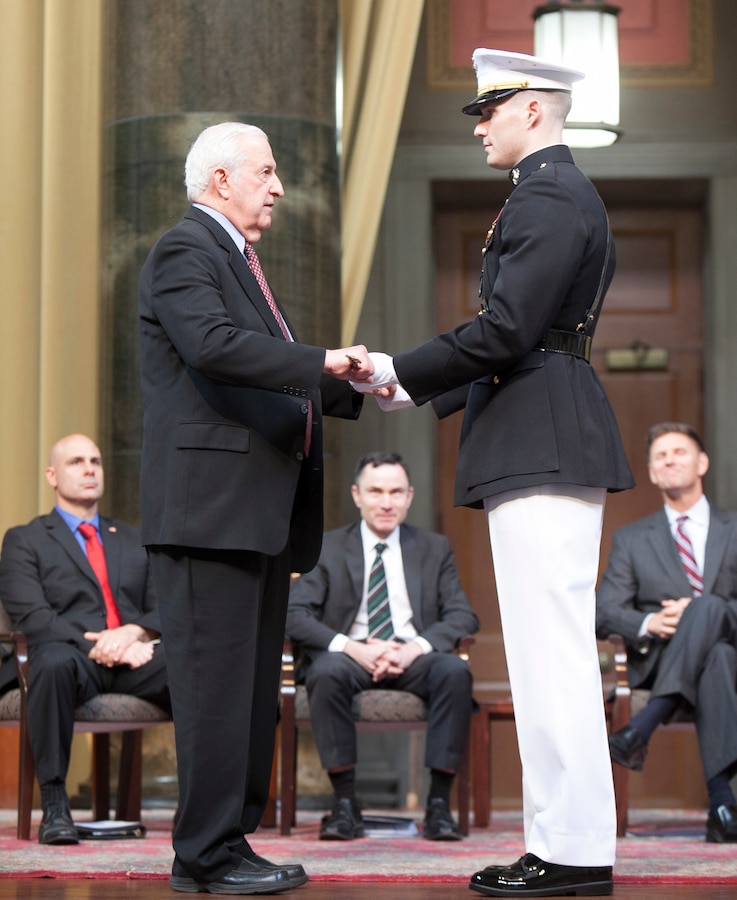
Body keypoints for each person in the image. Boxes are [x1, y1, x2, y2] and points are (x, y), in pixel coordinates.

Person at [352, 49, 634, 897]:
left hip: (540, 434)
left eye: (489, 110)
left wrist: (403, 373)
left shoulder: (547, 194)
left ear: (534, 112)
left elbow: (508, 329)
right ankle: (562, 841)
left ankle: (575, 849)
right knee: (546, 653)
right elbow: (522, 332)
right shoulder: (547, 192)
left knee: (551, 656)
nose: (478, 125)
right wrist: (416, 387)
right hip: (541, 429)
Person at [138, 121, 373, 895]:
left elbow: (266, 369)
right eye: (266, 173)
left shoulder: (236, 259)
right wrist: (321, 360)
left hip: (254, 514)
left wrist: (357, 383)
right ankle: (202, 857)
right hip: (210, 515)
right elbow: (212, 347)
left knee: (245, 697)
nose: (277, 187)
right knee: (213, 694)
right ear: (219, 181)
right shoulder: (185, 250)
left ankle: (228, 844)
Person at [286, 451, 479, 842]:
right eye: (376, 491)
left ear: (410, 496)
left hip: (412, 656)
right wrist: (351, 648)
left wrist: (414, 648)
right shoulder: (327, 547)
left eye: (395, 492)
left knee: (455, 670)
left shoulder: (433, 548)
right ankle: (344, 803)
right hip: (351, 657)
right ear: (357, 495)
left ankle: (439, 805)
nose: (386, 502)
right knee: (325, 669)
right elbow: (292, 613)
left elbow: (463, 616)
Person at [0, 433, 169, 846]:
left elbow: (166, 605)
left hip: (135, 658)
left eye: (95, 460)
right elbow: (32, 617)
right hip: (70, 658)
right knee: (52, 661)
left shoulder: (132, 539)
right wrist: (105, 644)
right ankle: (55, 805)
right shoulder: (25, 539)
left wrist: (131, 634)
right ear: (52, 476)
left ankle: (203, 807)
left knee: (195, 664)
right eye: (77, 461)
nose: (90, 468)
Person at [597, 422, 737, 843]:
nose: (670, 460)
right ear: (653, 473)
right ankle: (723, 806)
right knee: (716, 657)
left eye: (679, 452)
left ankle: (642, 727)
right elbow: (604, 611)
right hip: (659, 661)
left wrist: (701, 611)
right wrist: (647, 622)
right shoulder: (632, 539)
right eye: (661, 456)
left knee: (714, 627)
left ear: (702, 463)